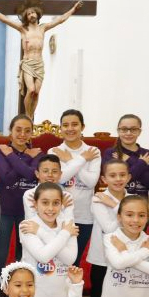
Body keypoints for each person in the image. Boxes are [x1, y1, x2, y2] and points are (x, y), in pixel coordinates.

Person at [0, 0, 84, 118]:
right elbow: (5, 19)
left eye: (33, 13)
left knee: (36, 92)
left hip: (39, 64)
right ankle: (27, 114)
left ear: (37, 14)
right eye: (28, 14)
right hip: (28, 63)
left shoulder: (43, 28)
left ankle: (32, 115)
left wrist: (74, 9)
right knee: (30, 90)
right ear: (26, 17)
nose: (31, 15)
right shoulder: (23, 29)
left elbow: (60, 20)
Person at [84, 159, 130, 297]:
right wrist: (122, 210)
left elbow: (139, 225)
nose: (118, 179)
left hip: (128, 260)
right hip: (103, 260)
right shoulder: (98, 199)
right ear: (104, 179)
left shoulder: (132, 200)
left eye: (122, 175)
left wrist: (117, 206)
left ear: (129, 177)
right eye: (112, 176)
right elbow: (111, 227)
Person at [0, 115, 42, 297]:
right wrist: (25, 159)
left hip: (27, 212)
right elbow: (8, 178)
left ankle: (21, 293)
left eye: (27, 130)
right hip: (4, 209)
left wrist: (12, 156)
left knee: (25, 254)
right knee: (1, 254)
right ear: (10, 131)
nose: (22, 134)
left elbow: (31, 175)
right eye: (18, 130)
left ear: (31, 133)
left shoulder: (37, 152)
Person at [49, 109, 100, 264]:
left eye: (74, 124)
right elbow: (60, 178)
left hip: (84, 215)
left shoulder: (93, 151)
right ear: (60, 128)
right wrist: (82, 160)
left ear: (82, 127)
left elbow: (91, 182)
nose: (70, 128)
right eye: (65, 125)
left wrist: (70, 159)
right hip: (58, 215)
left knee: (75, 262)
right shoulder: (54, 151)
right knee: (57, 260)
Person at [102, 114, 149, 197]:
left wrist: (128, 160)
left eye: (133, 129)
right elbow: (119, 181)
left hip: (141, 205)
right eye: (124, 129)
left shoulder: (148, 154)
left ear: (139, 132)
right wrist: (142, 163)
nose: (128, 133)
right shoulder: (111, 153)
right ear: (118, 131)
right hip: (115, 202)